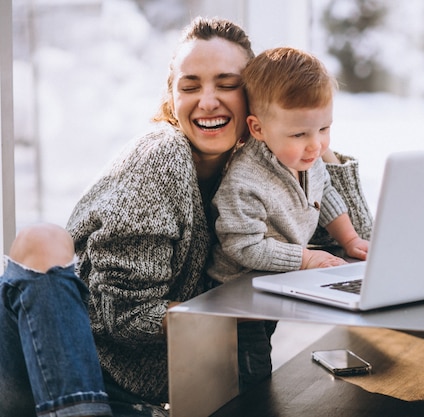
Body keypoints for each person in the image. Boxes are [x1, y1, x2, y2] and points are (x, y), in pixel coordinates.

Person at [0, 16, 372, 417]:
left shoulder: (259, 167)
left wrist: (312, 136)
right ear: (172, 97)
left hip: (148, 397)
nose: (207, 100)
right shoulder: (162, 157)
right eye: (190, 86)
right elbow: (123, 316)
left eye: (227, 85)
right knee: (42, 238)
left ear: (254, 103)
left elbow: (356, 244)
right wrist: (222, 312)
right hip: (70, 375)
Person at [208, 46, 369, 284]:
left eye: (324, 129)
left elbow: (324, 193)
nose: (316, 145)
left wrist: (351, 240)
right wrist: (305, 259)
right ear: (258, 129)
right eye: (299, 134)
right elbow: (244, 246)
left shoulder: (307, 158)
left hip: (288, 278)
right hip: (241, 286)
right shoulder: (244, 182)